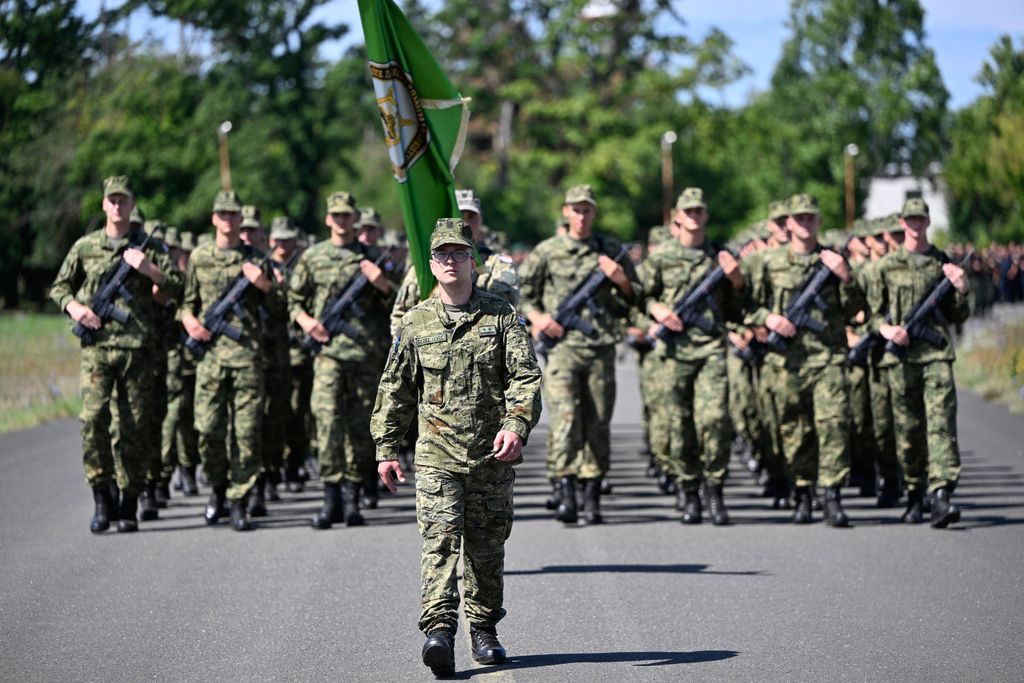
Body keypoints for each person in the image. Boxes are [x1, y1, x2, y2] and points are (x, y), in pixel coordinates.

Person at [371, 218, 542, 677]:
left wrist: (516, 425)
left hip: (491, 456)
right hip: (437, 458)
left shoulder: (501, 316)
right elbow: (395, 389)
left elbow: (525, 377)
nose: (451, 261)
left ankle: (484, 629)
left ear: (473, 261)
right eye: (442, 254)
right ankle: (440, 632)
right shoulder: (416, 322)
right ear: (431, 264)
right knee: (440, 543)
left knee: (487, 548)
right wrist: (387, 447)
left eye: (459, 253)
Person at [50, 176, 181, 533]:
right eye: (112, 200)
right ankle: (101, 495)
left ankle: (129, 501)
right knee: (93, 420)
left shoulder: (148, 246)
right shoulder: (86, 246)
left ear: (132, 204)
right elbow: (59, 287)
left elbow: (178, 286)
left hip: (138, 351)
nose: (118, 205)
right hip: (97, 348)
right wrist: (76, 308)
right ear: (104, 204)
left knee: (133, 427)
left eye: (123, 200)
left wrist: (148, 268)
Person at [519, 184, 641, 524]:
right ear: (566, 211)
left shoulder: (609, 250)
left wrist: (620, 279)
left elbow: (635, 298)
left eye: (587, 209)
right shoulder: (547, 251)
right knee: (566, 418)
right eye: (576, 209)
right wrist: (539, 318)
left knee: (597, 421)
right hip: (563, 350)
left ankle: (592, 492)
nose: (582, 215)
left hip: (600, 347)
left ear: (594, 212)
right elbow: (524, 295)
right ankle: (566, 488)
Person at [742, 194, 865, 526]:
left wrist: (845, 277)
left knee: (834, 425)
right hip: (787, 362)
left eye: (811, 217)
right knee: (794, 430)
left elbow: (856, 310)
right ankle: (802, 492)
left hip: (828, 358)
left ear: (818, 221)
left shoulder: (833, 260)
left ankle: (832, 496)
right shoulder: (767, 262)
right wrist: (767, 319)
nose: (806, 223)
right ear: (789, 223)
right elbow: (744, 304)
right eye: (800, 218)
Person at [289, 191, 395, 528]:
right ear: (327, 219)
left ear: (355, 219)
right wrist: (306, 321)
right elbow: (293, 300)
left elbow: (398, 305)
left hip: (364, 356)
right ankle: (330, 498)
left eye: (347, 215)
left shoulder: (373, 257)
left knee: (361, 427)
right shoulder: (313, 257)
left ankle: (353, 496)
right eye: (336, 215)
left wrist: (381, 283)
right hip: (328, 356)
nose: (341, 220)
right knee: (328, 424)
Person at [639, 188, 743, 524]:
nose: (694, 216)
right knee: (679, 424)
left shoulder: (720, 256)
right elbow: (637, 298)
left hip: (711, 348)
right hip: (674, 352)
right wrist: (656, 310)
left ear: (706, 216)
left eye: (699, 211)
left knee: (714, 420)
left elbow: (739, 308)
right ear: (678, 218)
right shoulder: (661, 257)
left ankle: (715, 488)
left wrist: (736, 279)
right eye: (689, 211)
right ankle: (688, 488)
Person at [868, 197, 970, 527]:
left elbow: (957, 316)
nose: (915, 225)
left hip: (936, 356)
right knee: (908, 430)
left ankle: (941, 494)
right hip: (901, 359)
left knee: (941, 425)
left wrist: (962, 289)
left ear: (927, 222)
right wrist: (887, 330)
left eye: (920, 219)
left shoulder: (942, 263)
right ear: (902, 223)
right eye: (909, 219)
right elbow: (871, 315)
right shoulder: (885, 266)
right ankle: (914, 491)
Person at [182, 189, 278, 531]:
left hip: (247, 358)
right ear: (214, 218)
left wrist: (263, 284)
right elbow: (186, 302)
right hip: (210, 359)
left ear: (240, 218)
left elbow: (280, 307)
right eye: (222, 213)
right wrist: (189, 321)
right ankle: (217, 489)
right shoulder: (199, 257)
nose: (228, 219)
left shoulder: (258, 259)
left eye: (233, 214)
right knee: (208, 430)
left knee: (246, 434)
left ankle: (239, 501)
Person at [389, 188, 519, 338]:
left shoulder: (498, 264)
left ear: (481, 220)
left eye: (472, 217)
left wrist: (458, 284)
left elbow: (505, 308)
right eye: (459, 216)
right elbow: (400, 315)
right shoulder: (426, 268)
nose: (466, 223)